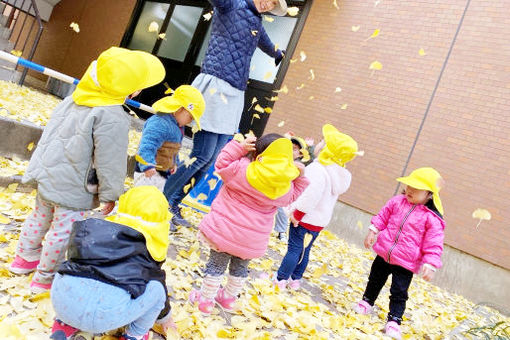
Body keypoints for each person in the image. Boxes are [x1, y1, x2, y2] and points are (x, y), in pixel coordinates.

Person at [8, 47, 165, 293]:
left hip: (47, 175)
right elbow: (110, 161)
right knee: (63, 232)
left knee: (39, 217)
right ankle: (45, 277)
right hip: (74, 188)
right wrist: (110, 194)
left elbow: (50, 134)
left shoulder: (74, 99)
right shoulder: (112, 115)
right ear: (131, 90)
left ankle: (24, 258)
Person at [163, 0, 288, 230]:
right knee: (201, 155)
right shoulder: (232, 5)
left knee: (211, 160)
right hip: (215, 86)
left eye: (272, 4)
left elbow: (265, 41)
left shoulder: (256, 21)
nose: (267, 4)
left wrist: (276, 53)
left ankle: (174, 204)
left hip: (235, 91)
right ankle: (162, 203)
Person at [189, 133, 309, 315]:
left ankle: (205, 301)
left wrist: (239, 147)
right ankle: (228, 299)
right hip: (251, 239)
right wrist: (300, 176)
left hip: (224, 232)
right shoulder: (283, 188)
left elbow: (221, 164)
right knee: (240, 268)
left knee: (216, 266)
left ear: (258, 155)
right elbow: (295, 194)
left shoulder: (241, 169)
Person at [49, 186, 174, 340]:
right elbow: (157, 285)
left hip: (63, 302)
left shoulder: (94, 228)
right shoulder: (152, 248)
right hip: (106, 315)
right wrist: (165, 317)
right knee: (157, 290)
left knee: (72, 270)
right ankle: (134, 335)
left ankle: (64, 324)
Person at [354, 167, 446, 340]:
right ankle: (366, 301)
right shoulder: (397, 201)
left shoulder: (431, 218)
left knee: (399, 291)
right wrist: (373, 231)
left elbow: (434, 243)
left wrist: (431, 263)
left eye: (417, 188)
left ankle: (394, 320)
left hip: (406, 262)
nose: (410, 190)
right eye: (409, 185)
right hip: (384, 253)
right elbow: (382, 216)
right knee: (375, 280)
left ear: (429, 194)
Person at [274, 124, 360, 290]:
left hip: (304, 217)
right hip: (319, 221)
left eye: (322, 142)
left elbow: (310, 195)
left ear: (328, 150)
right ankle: (295, 279)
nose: (318, 145)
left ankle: (280, 279)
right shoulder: (339, 173)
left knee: (294, 249)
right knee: (305, 250)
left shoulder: (318, 169)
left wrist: (297, 214)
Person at [134, 85, 205, 196]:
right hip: (148, 172)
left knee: (153, 200)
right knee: (141, 198)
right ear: (179, 108)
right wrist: (147, 165)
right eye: (190, 117)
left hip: (162, 173)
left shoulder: (177, 126)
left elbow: (173, 148)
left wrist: (174, 163)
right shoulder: (160, 123)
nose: (190, 122)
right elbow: (147, 146)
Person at [274, 136, 310, 242]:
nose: (290, 150)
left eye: (294, 149)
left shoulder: (298, 166)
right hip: (270, 188)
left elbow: (299, 184)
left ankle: (281, 232)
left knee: (282, 211)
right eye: (289, 147)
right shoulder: (276, 159)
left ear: (300, 154)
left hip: (283, 193)